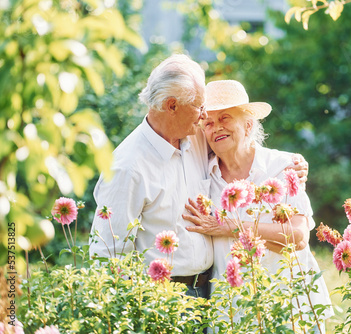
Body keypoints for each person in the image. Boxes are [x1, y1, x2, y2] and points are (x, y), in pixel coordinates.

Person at [89, 55, 308, 299]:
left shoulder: (192, 135)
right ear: (172, 106)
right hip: (162, 297)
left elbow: (240, 141)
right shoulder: (127, 167)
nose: (205, 117)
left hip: (210, 293)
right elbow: (107, 254)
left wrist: (294, 162)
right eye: (199, 106)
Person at [183, 80, 333, 331]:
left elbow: (297, 237)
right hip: (232, 312)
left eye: (225, 118)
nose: (216, 127)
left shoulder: (283, 167)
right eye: (208, 122)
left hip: (289, 306)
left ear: (248, 124)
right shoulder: (204, 179)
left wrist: (230, 227)